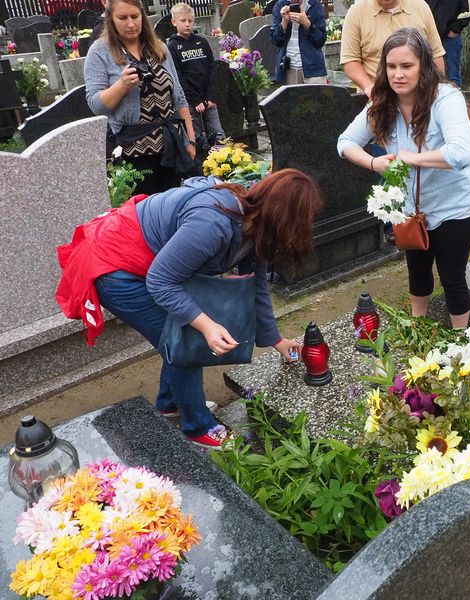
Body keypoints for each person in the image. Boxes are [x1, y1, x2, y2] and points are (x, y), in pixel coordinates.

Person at [56, 170, 322, 447]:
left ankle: (170, 404)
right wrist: (206, 325)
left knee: (176, 336)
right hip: (116, 268)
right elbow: (161, 281)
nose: (308, 226)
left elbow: (256, 289)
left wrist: (275, 340)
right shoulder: (213, 223)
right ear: (284, 217)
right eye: (305, 219)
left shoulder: (259, 226)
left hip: (145, 264)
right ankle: (197, 426)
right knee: (187, 340)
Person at [338, 28, 470, 328]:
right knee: (417, 270)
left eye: (407, 66)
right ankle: (418, 329)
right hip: (411, 210)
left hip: (455, 207)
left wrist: (412, 158)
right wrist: (374, 162)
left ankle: (460, 344)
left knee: (452, 277)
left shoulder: (445, 99)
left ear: (424, 66)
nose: (398, 74)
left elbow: (462, 152)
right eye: (391, 67)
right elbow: (345, 143)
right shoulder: (381, 104)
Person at [84, 0, 196, 195]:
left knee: (170, 209)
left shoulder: (158, 47)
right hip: (134, 152)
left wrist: (191, 140)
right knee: (144, 215)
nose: (131, 24)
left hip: (170, 146)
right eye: (123, 18)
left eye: (135, 17)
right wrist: (121, 86)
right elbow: (96, 105)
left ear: (142, 17)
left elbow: (178, 96)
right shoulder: (100, 52)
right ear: (111, 19)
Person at [340, 0, 445, 98]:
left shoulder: (421, 7)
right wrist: (369, 87)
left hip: (419, 98)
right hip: (376, 99)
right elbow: (350, 61)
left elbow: (436, 55)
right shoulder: (356, 13)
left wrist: (435, 89)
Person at [167, 2, 224, 164]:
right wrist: (196, 100)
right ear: (174, 22)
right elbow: (178, 78)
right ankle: (202, 168)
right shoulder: (172, 46)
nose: (187, 24)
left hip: (209, 99)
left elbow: (212, 70)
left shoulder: (201, 42)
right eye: (183, 20)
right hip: (191, 103)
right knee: (197, 138)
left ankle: (223, 166)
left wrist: (211, 96)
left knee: (218, 135)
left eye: (190, 21)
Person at [271, 0, 328, 84]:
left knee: (317, 97)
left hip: (313, 69)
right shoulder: (280, 5)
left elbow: (320, 40)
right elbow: (276, 41)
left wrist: (308, 24)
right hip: (290, 68)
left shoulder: (315, 5)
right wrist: (284, 22)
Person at [426, 0, 470, 87]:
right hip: (430, 36)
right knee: (427, 75)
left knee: (453, 78)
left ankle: (453, 98)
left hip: (450, 38)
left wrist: (455, 29)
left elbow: (468, 11)